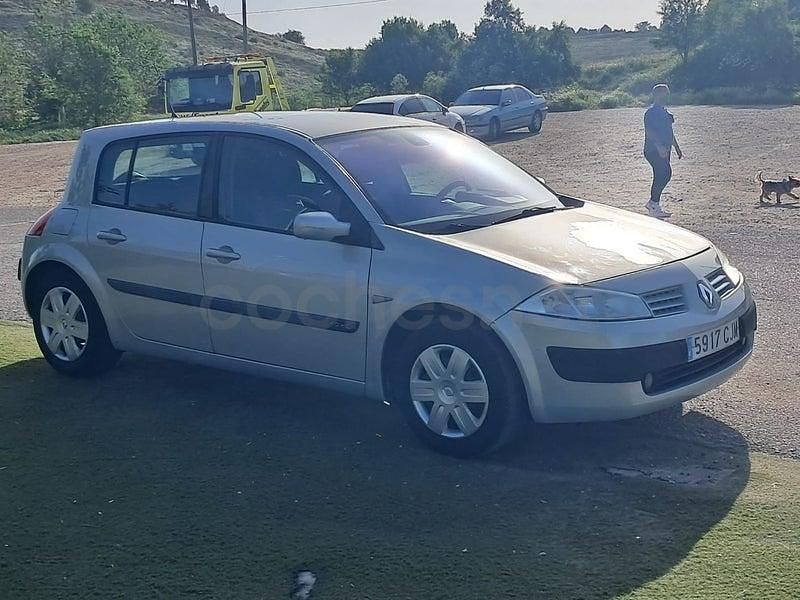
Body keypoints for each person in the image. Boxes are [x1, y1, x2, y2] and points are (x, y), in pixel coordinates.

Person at [644, 84, 682, 219]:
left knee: (663, 174)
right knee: (664, 174)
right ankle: (653, 204)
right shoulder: (651, 113)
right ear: (656, 95)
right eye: (663, 93)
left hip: (665, 149)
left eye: (667, 93)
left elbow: (669, 132)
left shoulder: (665, 112)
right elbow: (650, 132)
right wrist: (658, 146)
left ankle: (653, 203)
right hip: (653, 149)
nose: (666, 96)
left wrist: (676, 147)